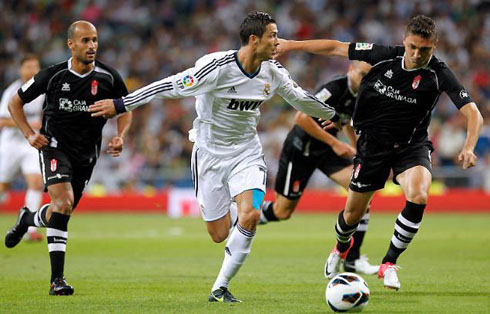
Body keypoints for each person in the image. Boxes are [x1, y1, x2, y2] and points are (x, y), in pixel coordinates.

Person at [89, 11, 340, 303]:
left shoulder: (273, 71)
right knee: (219, 233)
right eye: (272, 35)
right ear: (253, 39)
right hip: (209, 154)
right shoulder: (216, 67)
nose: (278, 42)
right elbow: (168, 86)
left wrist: (339, 115)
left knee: (252, 215)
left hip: (247, 153)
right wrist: (122, 103)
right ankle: (235, 218)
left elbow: (302, 99)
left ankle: (220, 287)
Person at [277, 15, 483, 290]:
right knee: (351, 215)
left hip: (412, 146)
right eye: (412, 47)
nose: (417, 54)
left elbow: (474, 113)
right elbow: (336, 47)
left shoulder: (439, 73)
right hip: (372, 147)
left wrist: (468, 147)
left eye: (425, 49)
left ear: (434, 46)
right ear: (404, 41)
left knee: (419, 193)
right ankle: (341, 246)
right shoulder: (384, 56)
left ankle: (389, 263)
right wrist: (290, 45)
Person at [4, 21, 132, 296]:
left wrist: (120, 136)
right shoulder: (52, 75)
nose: (92, 46)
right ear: (71, 44)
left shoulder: (108, 77)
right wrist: (28, 133)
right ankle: (56, 281)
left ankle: (28, 219)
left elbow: (126, 107)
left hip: (86, 154)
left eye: (95, 40)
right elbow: (14, 102)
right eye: (85, 40)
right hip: (54, 147)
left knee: (61, 211)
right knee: (63, 203)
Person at [259, 61, 379, 275]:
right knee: (282, 211)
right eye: (361, 74)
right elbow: (302, 117)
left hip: (326, 151)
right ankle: (249, 216)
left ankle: (352, 259)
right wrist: (335, 143)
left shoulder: (362, 95)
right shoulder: (333, 89)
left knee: (362, 191)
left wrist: (356, 148)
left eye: (368, 76)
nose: (364, 80)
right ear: (350, 70)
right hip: (301, 149)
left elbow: (347, 122)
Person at [0, 54, 44, 242]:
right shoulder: (12, 92)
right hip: (11, 144)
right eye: (28, 66)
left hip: (30, 143)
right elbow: (2, 120)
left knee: (36, 183)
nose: (32, 70)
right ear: (21, 70)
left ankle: (29, 230)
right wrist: (28, 124)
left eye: (35, 66)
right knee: (3, 186)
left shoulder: (42, 91)